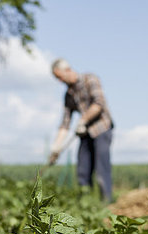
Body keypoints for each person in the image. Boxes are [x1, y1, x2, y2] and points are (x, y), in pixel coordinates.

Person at [49, 58, 114, 203]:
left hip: (101, 129)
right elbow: (65, 123)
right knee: (82, 171)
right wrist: (56, 148)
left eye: (60, 77)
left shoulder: (90, 79)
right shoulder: (68, 95)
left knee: (101, 170)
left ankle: (107, 204)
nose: (60, 81)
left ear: (67, 70)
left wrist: (83, 120)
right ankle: (86, 205)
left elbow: (99, 103)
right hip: (85, 134)